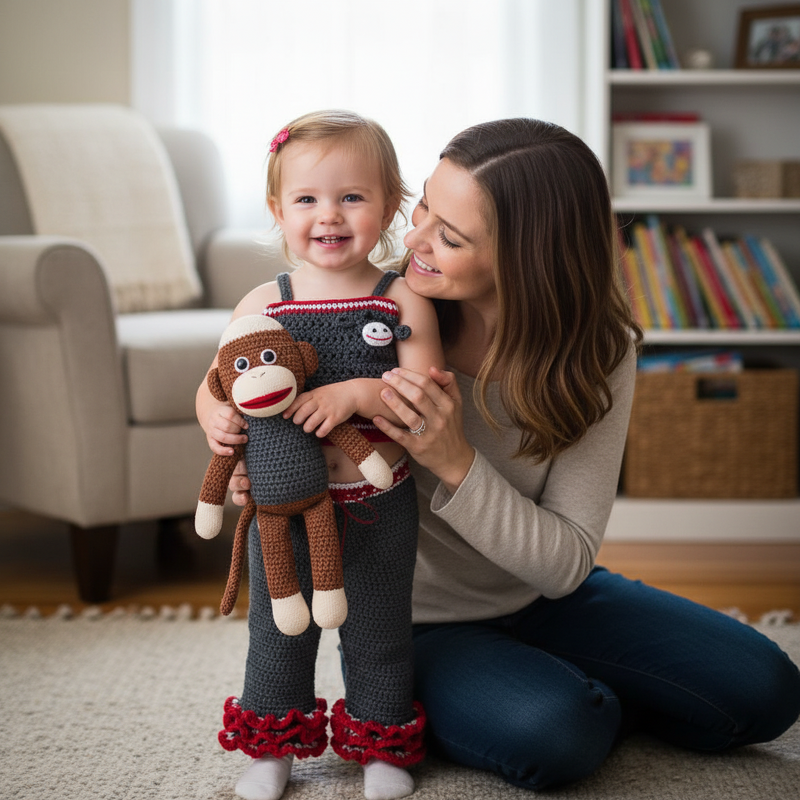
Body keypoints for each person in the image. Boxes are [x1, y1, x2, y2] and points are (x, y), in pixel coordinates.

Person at [228, 117, 800, 792]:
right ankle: (554, 694)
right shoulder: (373, 316)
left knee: (767, 690)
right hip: (413, 620)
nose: (411, 241)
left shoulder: (599, 352)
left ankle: (564, 684)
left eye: (450, 235)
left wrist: (455, 460)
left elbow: (565, 565)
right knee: (558, 735)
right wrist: (259, 465)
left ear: (528, 257)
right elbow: (263, 398)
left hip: (539, 593)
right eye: (424, 210)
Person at [196, 110, 444, 800]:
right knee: (280, 631)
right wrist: (213, 416)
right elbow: (216, 382)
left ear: (392, 202)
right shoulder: (263, 302)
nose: (328, 216)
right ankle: (274, 743)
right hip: (282, 504)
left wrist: (358, 392)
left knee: (378, 626)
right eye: (306, 199)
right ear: (278, 209)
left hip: (377, 504)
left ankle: (382, 740)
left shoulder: (401, 302)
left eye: (352, 197)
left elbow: (421, 395)